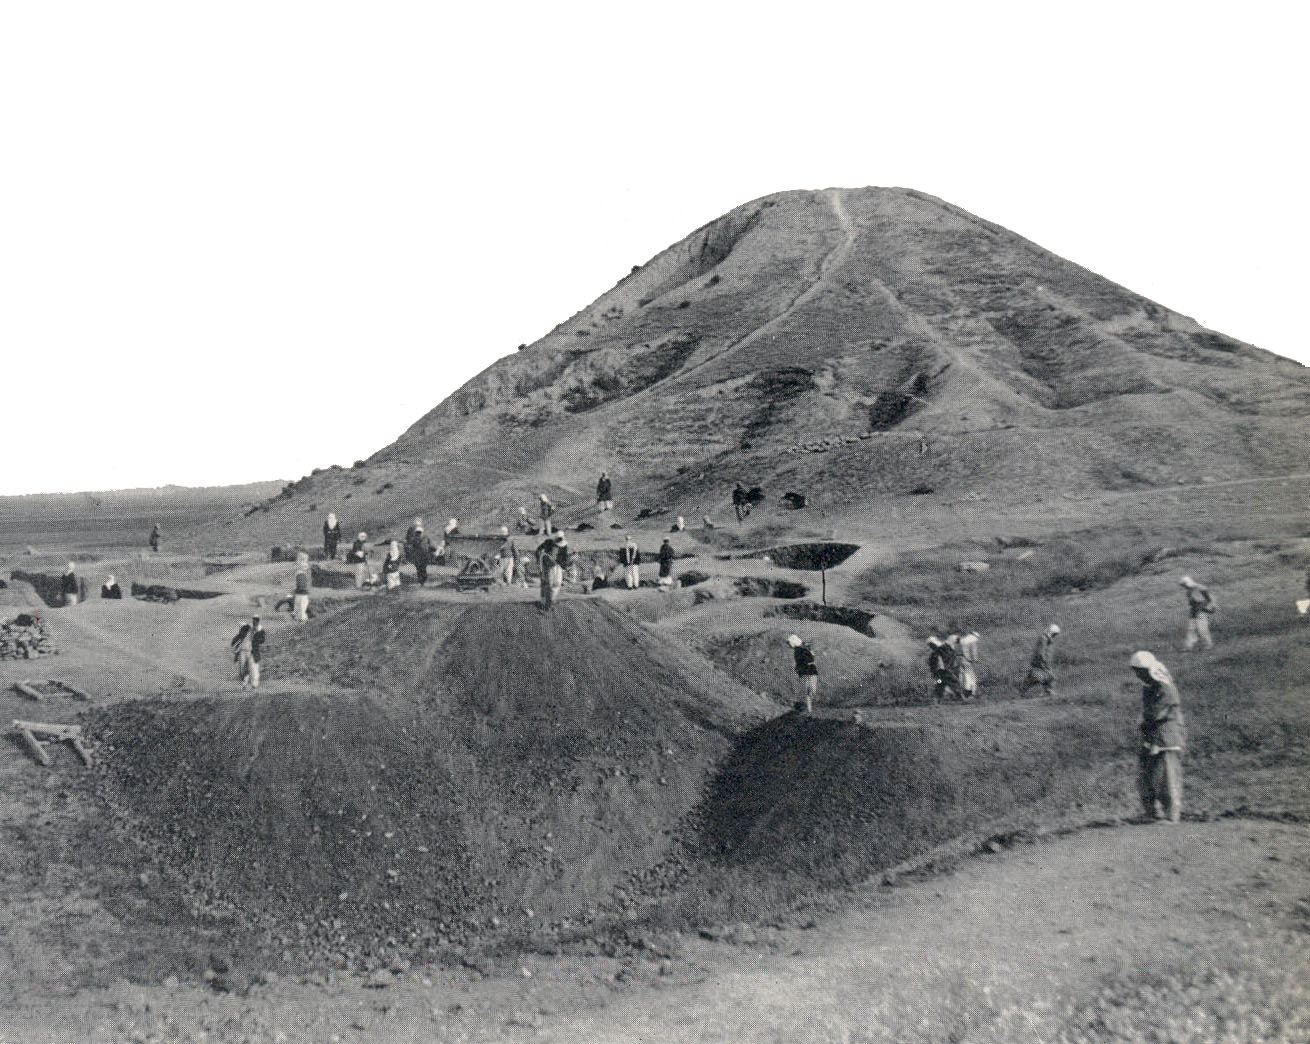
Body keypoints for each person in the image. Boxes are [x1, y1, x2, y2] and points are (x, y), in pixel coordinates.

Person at [1130, 650, 1185, 823]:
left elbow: (1156, 714)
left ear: (1146, 670)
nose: (1137, 675)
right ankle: (1152, 812)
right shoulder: (1150, 687)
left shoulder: (1164, 687)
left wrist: (1144, 720)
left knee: (1167, 776)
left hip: (1166, 735)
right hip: (1152, 735)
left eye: (1139, 672)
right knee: (1147, 774)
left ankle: (1171, 815)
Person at [1020, 624, 1060, 696]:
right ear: (1051, 632)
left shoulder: (1047, 639)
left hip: (1043, 661)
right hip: (1040, 661)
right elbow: (1041, 652)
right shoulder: (1044, 639)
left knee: (1047, 676)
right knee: (1040, 677)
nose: (1055, 636)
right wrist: (1043, 661)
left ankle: (1047, 690)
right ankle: (1024, 690)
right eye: (1054, 634)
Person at [1180, 576, 1215, 650]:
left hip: (1202, 611)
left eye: (1184, 585)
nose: (1184, 587)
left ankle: (1208, 644)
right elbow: (1192, 604)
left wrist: (1209, 608)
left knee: (1202, 629)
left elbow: (1208, 600)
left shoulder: (1201, 588)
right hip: (1194, 611)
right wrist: (1192, 613)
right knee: (1191, 629)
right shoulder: (1189, 592)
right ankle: (1189, 646)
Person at [231, 615, 266, 688]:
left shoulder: (258, 630)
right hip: (242, 652)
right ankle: (244, 682)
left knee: (253, 667)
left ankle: (254, 684)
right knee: (242, 668)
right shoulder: (243, 632)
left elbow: (262, 639)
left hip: (252, 652)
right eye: (254, 619)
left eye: (257, 620)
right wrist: (235, 646)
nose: (255, 621)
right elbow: (237, 640)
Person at [787, 634, 818, 713]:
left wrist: (799, 669)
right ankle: (809, 709)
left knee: (808, 691)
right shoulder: (803, 649)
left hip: (807, 671)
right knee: (810, 691)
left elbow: (802, 661)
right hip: (810, 670)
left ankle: (808, 709)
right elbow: (809, 658)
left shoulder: (798, 650)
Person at [927, 636, 960, 701]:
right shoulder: (940, 650)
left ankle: (937, 699)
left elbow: (933, 664)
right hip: (943, 671)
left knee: (940, 683)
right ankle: (960, 697)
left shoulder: (936, 652)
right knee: (953, 682)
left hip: (940, 671)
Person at [536, 534, 558, 608]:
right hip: (546, 574)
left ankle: (544, 602)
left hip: (544, 573)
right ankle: (547, 603)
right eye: (554, 550)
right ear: (550, 549)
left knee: (544, 588)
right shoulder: (546, 556)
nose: (555, 552)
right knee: (547, 588)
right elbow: (552, 564)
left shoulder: (543, 555)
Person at [956, 631, 980, 699]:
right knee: (970, 676)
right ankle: (971, 693)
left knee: (962, 676)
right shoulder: (972, 640)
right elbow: (974, 651)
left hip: (960, 659)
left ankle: (962, 692)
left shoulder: (962, 640)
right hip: (967, 660)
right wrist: (975, 660)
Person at [292, 558, 311, 622]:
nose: (307, 568)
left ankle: (297, 617)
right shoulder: (302, 575)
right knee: (302, 608)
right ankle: (302, 620)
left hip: (299, 593)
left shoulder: (298, 574)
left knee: (298, 607)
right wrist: (306, 590)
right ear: (302, 567)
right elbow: (301, 585)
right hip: (302, 594)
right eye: (305, 567)